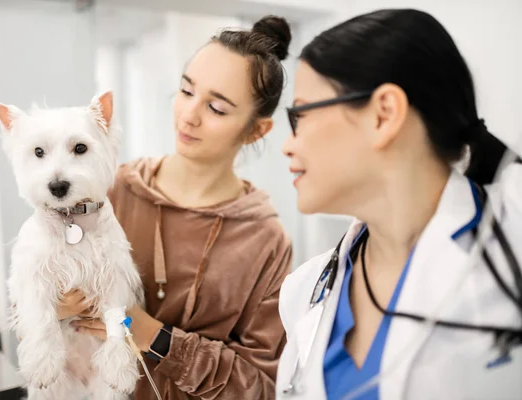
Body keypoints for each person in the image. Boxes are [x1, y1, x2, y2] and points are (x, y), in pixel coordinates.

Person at [276, 8, 522, 400]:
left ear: (384, 114)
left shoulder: (513, 248)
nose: (289, 144)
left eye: (300, 115)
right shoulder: (303, 292)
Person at [58, 16, 294, 400]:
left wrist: (152, 335)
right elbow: (34, 304)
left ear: (256, 130)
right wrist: (56, 304)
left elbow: (261, 386)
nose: (189, 115)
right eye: (186, 91)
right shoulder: (108, 191)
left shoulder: (265, 240)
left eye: (216, 108)